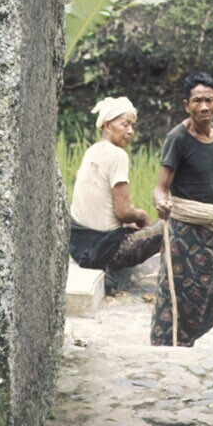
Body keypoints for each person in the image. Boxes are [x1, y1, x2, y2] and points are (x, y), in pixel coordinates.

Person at [150, 72, 213, 347]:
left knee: (207, 294)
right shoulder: (177, 138)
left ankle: (188, 343)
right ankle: (167, 347)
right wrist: (161, 203)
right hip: (186, 234)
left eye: (209, 100)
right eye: (197, 101)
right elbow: (161, 187)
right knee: (177, 295)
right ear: (186, 105)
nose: (204, 107)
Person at [67, 96, 164, 293]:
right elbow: (124, 212)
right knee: (170, 225)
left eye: (133, 126)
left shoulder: (92, 150)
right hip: (103, 251)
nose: (130, 131)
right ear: (107, 126)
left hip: (79, 246)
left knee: (130, 227)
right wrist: (142, 216)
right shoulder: (118, 155)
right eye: (125, 124)